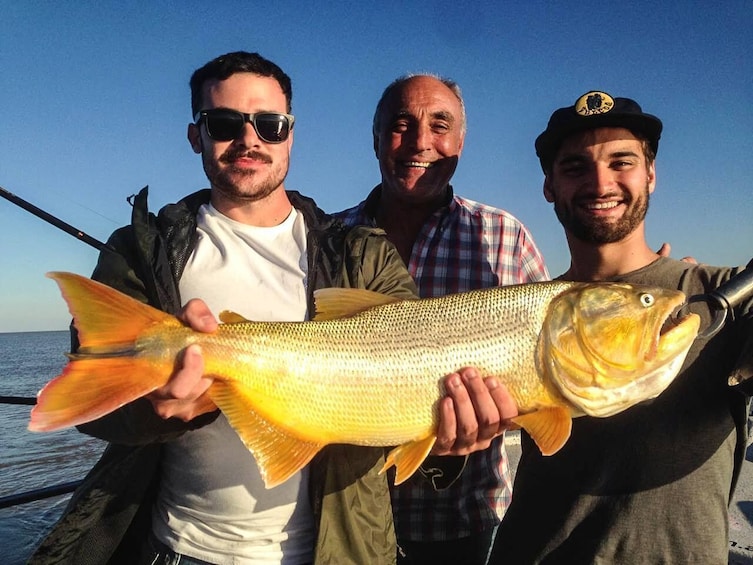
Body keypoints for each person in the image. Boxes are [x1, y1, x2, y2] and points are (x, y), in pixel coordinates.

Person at [30, 52, 518, 565]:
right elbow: (99, 407)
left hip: (334, 552)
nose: (249, 140)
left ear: (290, 133)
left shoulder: (362, 253)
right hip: (179, 547)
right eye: (223, 123)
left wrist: (445, 433)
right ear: (196, 135)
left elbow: (402, 376)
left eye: (269, 123)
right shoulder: (142, 251)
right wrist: (159, 413)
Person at [491, 90, 753, 563]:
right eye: (575, 167)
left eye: (622, 161)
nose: (600, 182)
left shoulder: (727, 297)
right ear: (549, 186)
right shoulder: (519, 312)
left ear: (651, 174)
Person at [335, 74, 549, 564]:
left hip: (464, 523)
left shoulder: (504, 236)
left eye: (439, 125)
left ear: (460, 141)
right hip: (342, 519)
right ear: (375, 138)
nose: (420, 142)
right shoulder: (327, 237)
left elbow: (551, 351)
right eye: (401, 125)